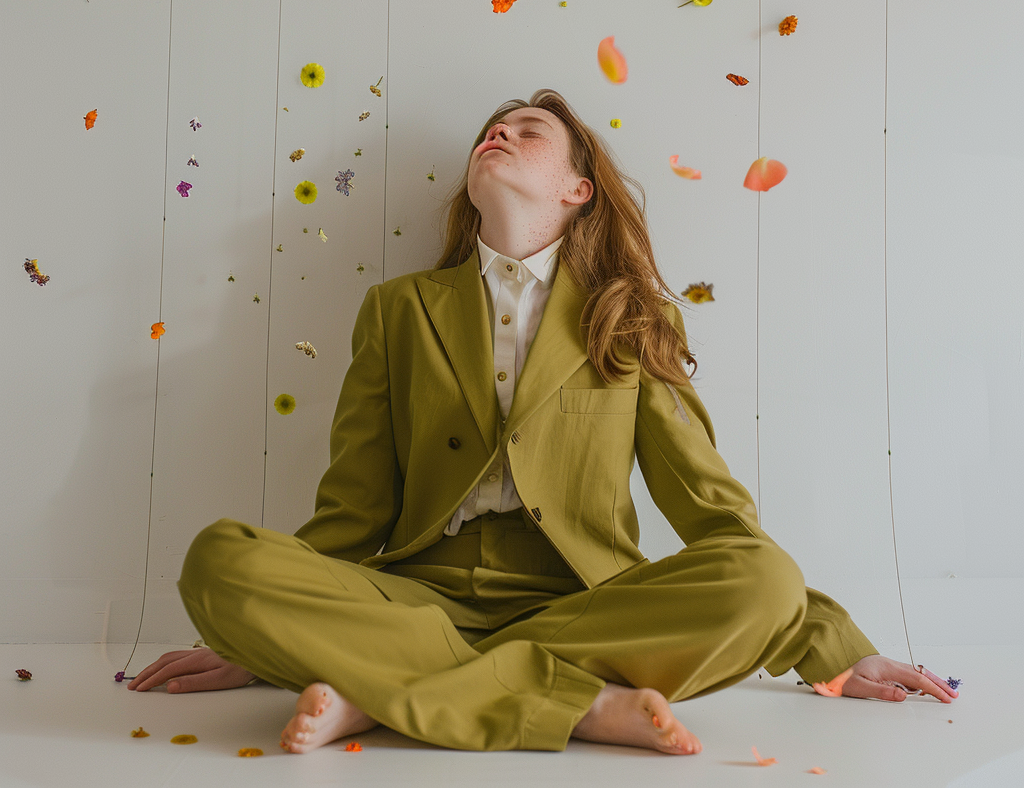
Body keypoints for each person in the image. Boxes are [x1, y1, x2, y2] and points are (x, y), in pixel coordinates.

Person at [128, 88, 957, 754]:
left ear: (576, 189)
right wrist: (260, 617)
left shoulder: (629, 320)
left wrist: (829, 638)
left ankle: (384, 694)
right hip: (418, 598)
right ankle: (582, 708)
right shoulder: (398, 310)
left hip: (586, 606)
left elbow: (712, 510)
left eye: (526, 130)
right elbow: (352, 511)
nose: (499, 133)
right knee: (219, 561)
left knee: (763, 578)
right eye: (491, 128)